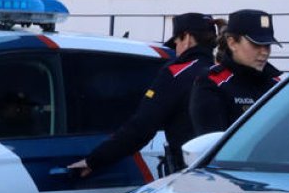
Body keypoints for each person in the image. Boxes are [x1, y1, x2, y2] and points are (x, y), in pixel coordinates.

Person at [69, 12, 218, 177]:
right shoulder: (226, 75)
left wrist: (95, 160)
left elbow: (142, 127)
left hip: (191, 174)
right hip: (225, 174)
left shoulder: (177, 73)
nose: (175, 49)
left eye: (176, 42)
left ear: (187, 38)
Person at [190, 9, 282, 135]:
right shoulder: (212, 82)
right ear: (232, 43)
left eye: (267, 45)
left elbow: (286, 136)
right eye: (256, 44)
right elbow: (212, 143)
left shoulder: (275, 84)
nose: (264, 52)